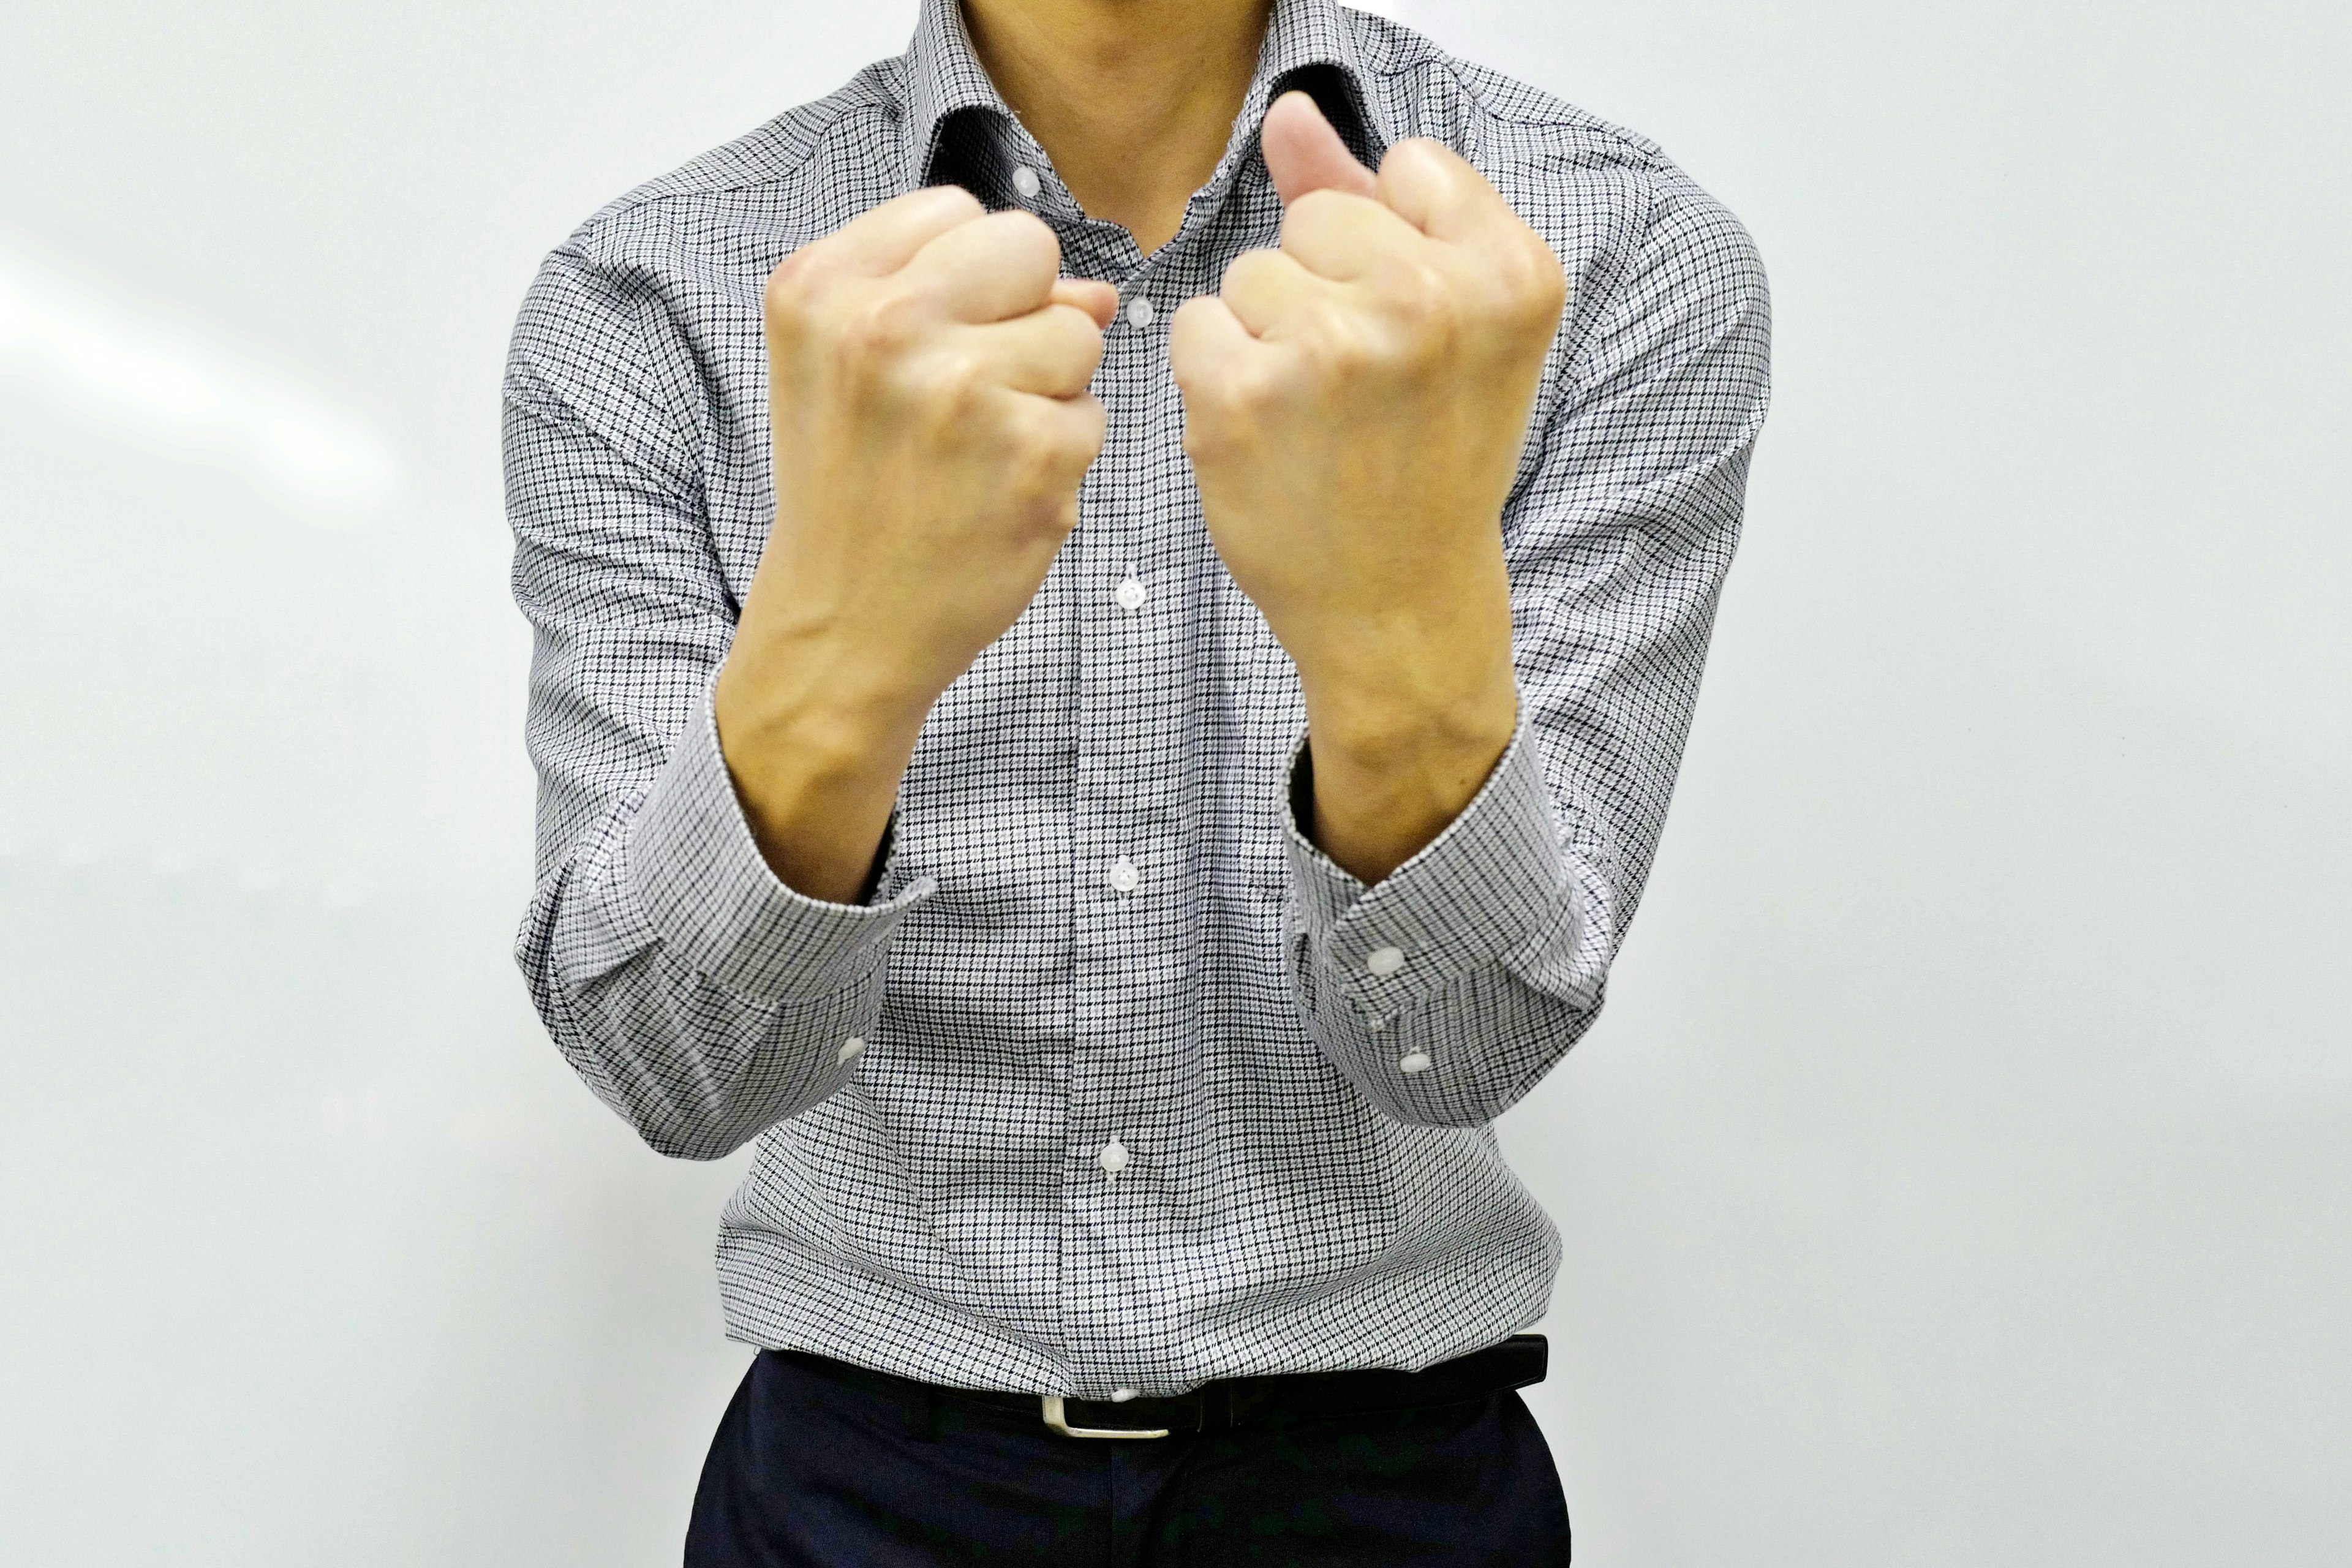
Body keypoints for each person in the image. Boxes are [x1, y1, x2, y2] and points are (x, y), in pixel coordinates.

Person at [502, 0, 1768, 1558]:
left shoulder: (1608, 259)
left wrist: (1393, 632)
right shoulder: (653, 301)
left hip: (1390, 1487)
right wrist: (836, 652)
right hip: (858, 1486)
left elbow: (1474, 1038)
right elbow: (675, 1067)